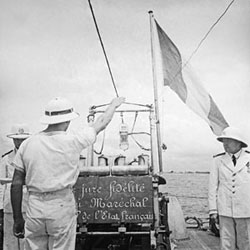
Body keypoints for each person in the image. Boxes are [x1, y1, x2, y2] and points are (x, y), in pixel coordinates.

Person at [10, 96, 125, 250]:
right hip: (61, 205)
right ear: (67, 120)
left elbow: (16, 183)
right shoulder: (73, 140)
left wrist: (17, 219)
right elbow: (101, 122)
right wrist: (113, 105)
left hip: (35, 207)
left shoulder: (28, 144)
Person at [208, 126, 250, 250]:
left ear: (238, 142)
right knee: (226, 243)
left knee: (246, 243)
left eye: (228, 140)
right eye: (223, 141)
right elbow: (212, 187)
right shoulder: (218, 160)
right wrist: (213, 210)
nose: (225, 144)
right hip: (225, 209)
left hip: (246, 209)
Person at [0, 124, 30, 250]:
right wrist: (1, 208)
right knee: (10, 243)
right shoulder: (6, 158)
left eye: (23, 139)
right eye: (17, 139)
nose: (19, 142)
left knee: (27, 242)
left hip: (29, 205)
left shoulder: (32, 158)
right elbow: (1, 184)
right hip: (9, 206)